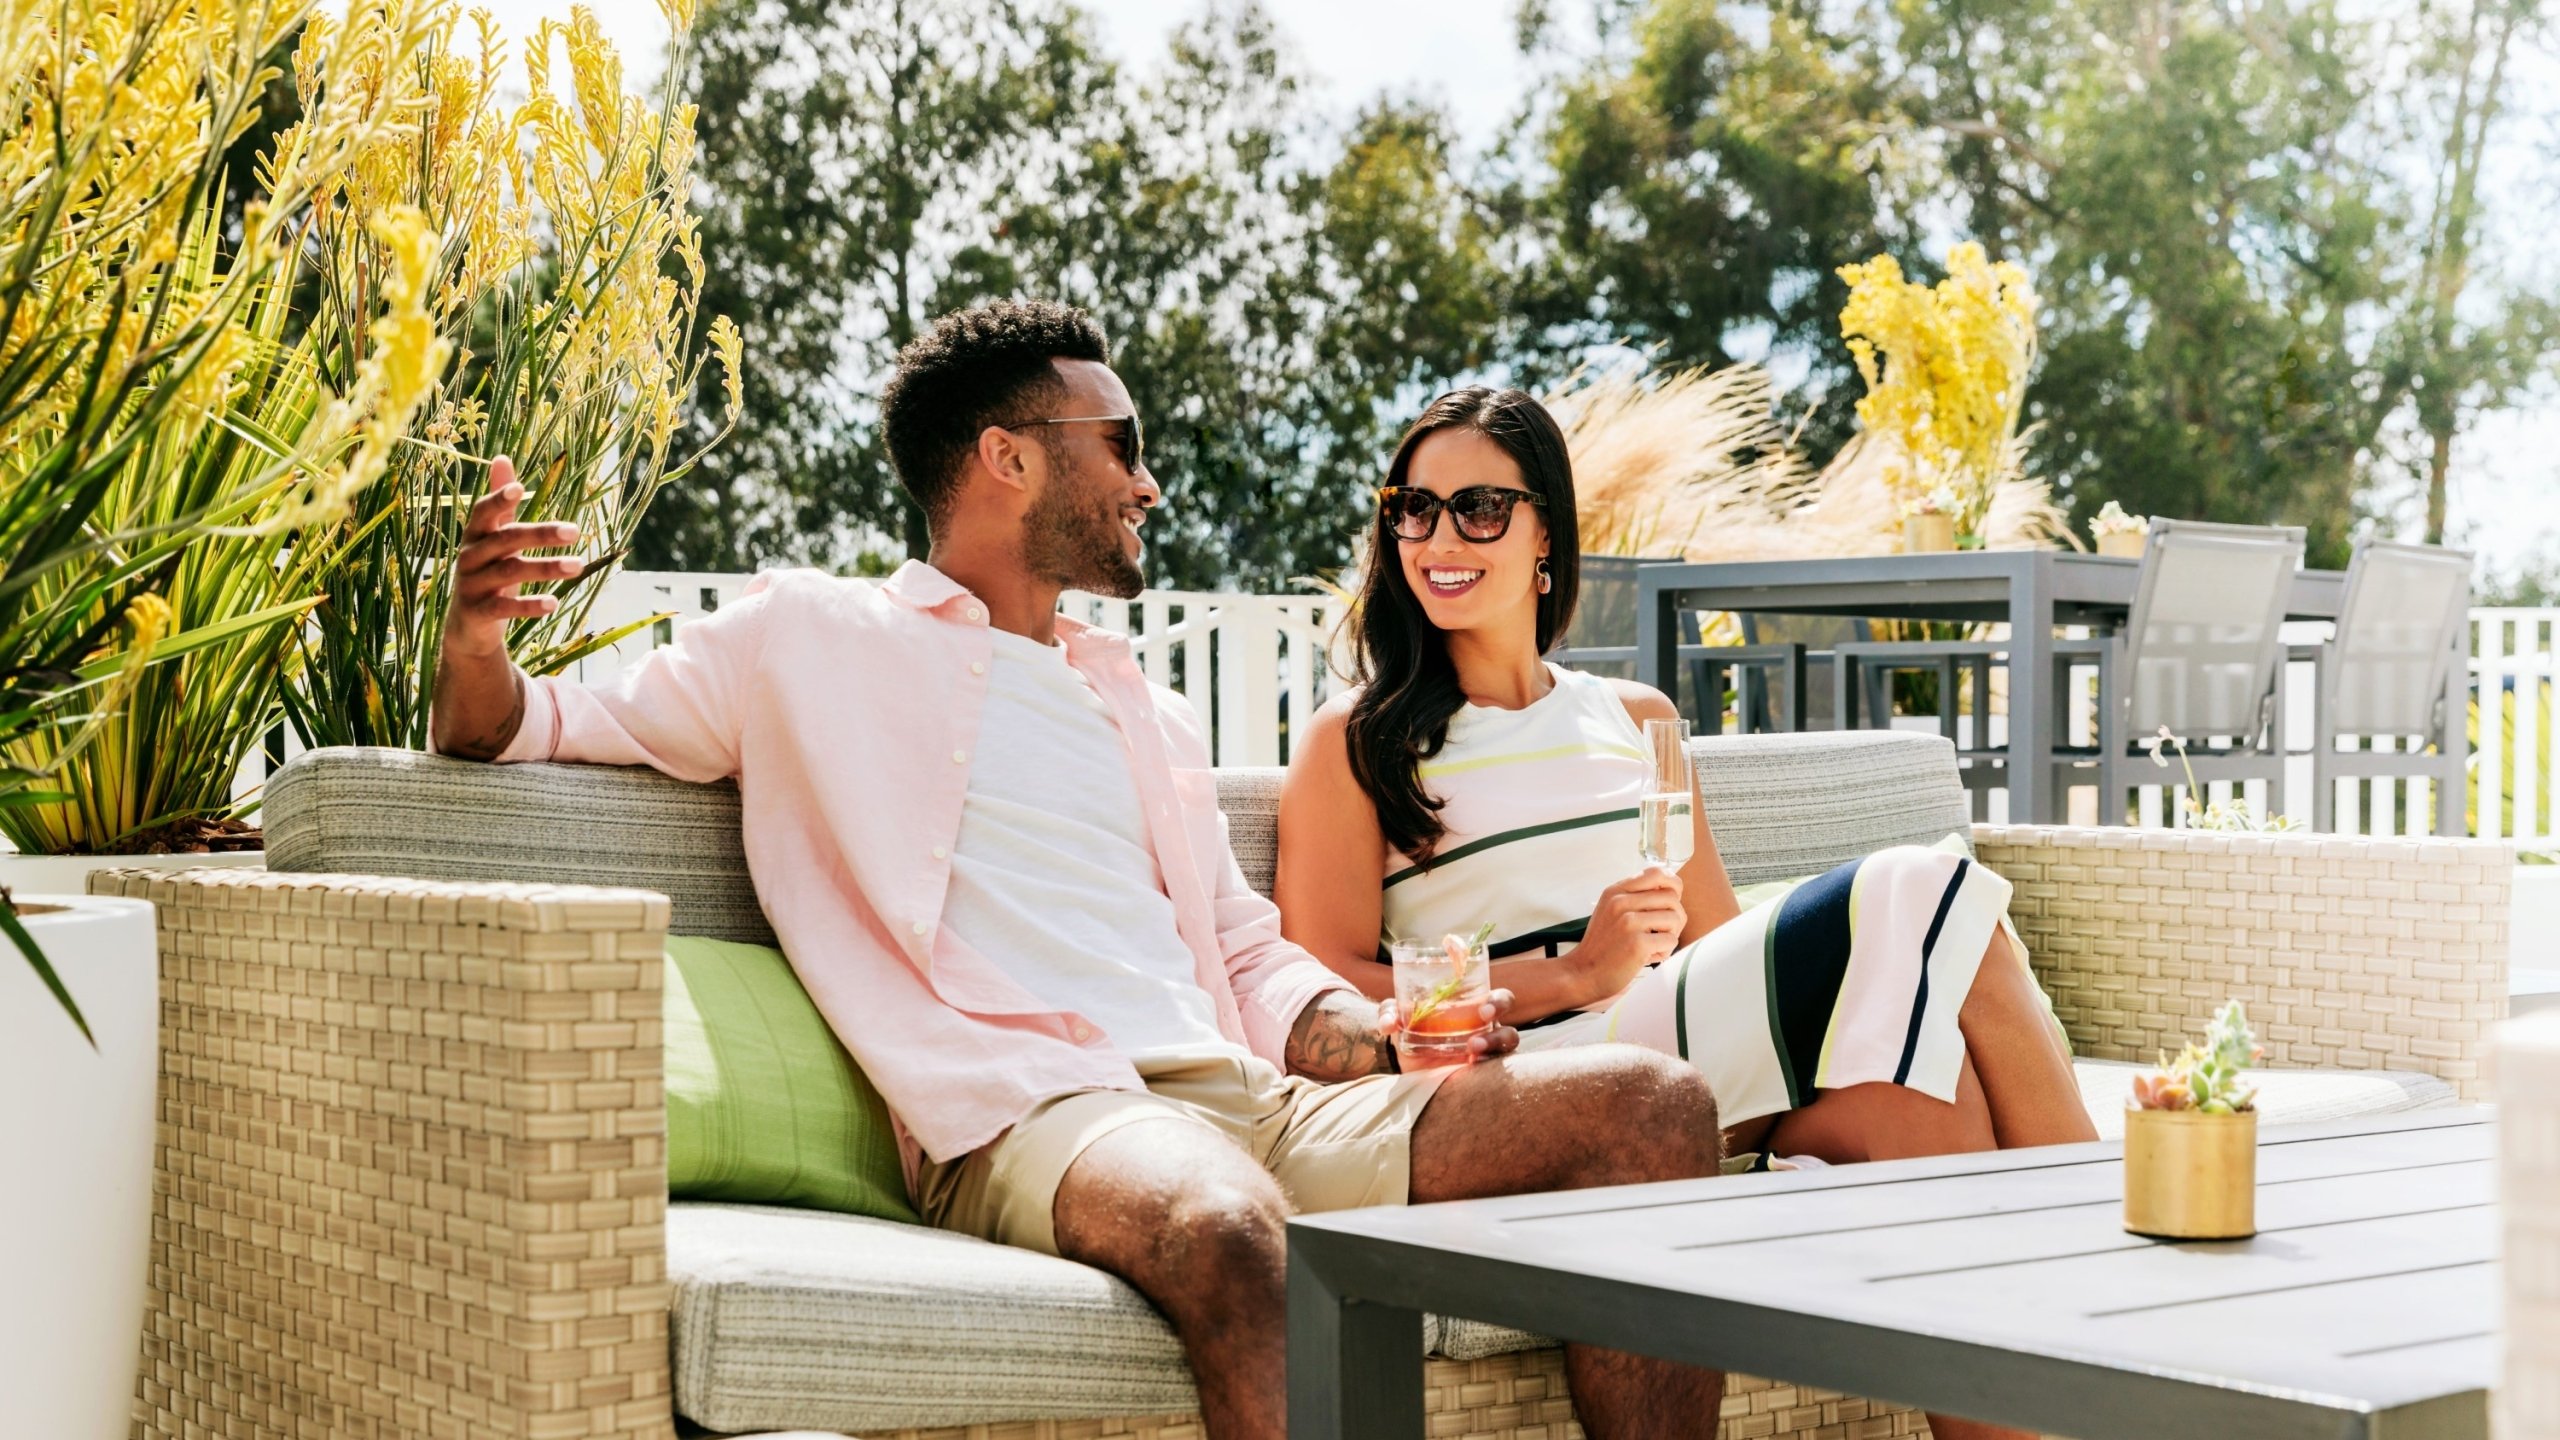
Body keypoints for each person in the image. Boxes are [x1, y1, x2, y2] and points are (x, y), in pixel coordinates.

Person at [430, 302, 1727, 1440]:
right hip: (1036, 1107)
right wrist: (476, 637)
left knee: (1652, 1106)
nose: (1149, 485)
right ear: (1008, 459)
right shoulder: (803, 640)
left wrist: (1382, 1035)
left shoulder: (1137, 705)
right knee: (1227, 1226)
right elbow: (515, 728)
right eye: (1122, 446)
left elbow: (1242, 949)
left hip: (1245, 1097)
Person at [1275, 385, 2103, 1440]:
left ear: (1544, 536)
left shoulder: (1637, 719)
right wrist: (1573, 974)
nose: (1441, 536)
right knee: (1920, 889)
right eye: (1414, 507)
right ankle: (2113, 1264)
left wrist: (1662, 968)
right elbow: (1325, 989)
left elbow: (1719, 948)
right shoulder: (1357, 740)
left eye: (1479, 508)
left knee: (1917, 1111)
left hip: (1680, 1042)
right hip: (1542, 1077)